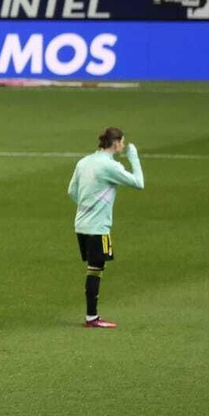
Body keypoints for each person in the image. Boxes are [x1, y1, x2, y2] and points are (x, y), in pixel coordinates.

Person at [67, 128, 144, 329]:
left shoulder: (83, 162)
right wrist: (134, 158)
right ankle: (92, 317)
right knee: (95, 271)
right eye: (123, 143)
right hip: (98, 227)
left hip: (81, 225)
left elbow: (71, 192)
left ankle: (92, 316)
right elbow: (139, 183)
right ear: (116, 143)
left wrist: (88, 208)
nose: (124, 146)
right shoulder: (110, 166)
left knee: (93, 269)